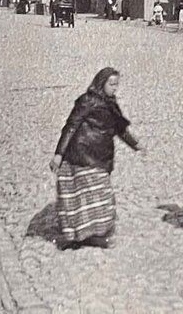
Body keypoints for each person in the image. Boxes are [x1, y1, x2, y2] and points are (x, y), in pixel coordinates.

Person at [49, 67, 143, 249]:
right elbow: (71, 126)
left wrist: (136, 145)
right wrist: (59, 154)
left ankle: (95, 236)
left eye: (117, 84)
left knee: (99, 196)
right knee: (86, 197)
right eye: (112, 84)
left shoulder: (110, 102)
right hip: (82, 155)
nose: (115, 88)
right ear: (101, 83)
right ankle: (80, 237)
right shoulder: (87, 100)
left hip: (99, 155)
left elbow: (119, 128)